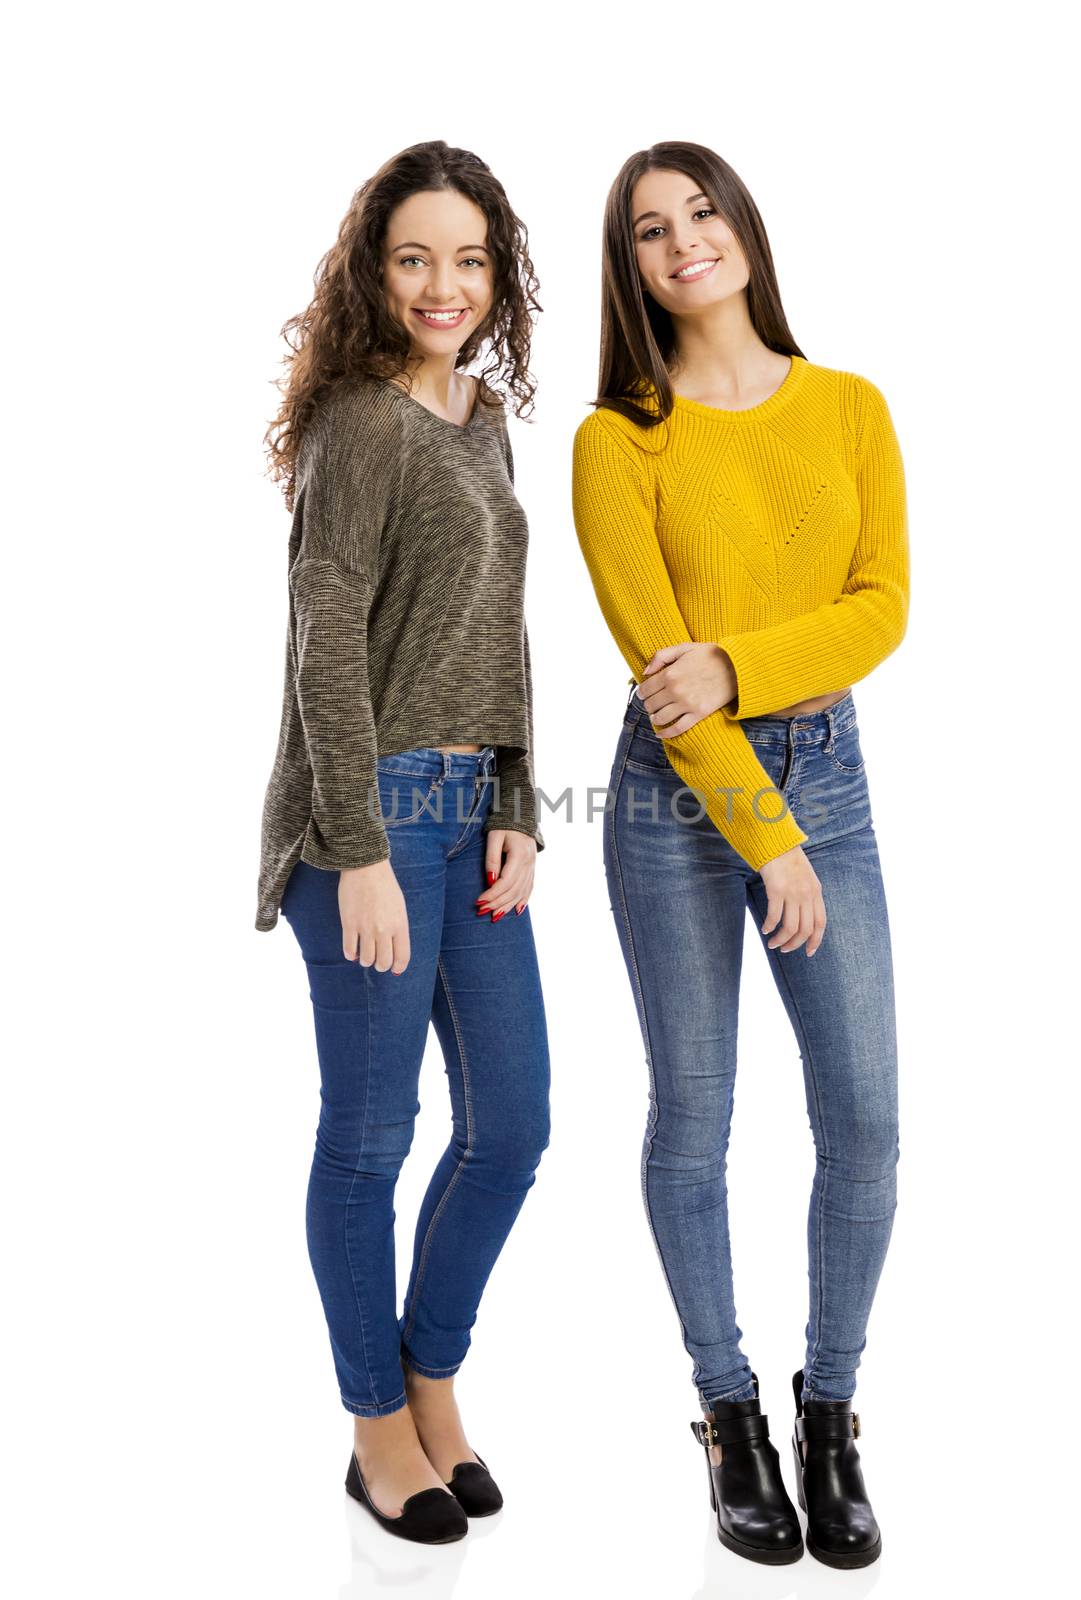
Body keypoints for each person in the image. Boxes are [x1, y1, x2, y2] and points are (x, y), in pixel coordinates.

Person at [571, 141, 909, 1570]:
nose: (683, 242)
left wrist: (738, 664)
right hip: (671, 807)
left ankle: (829, 1411)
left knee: (866, 1123)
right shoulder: (616, 441)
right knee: (696, 1115)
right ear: (631, 268)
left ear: (745, 229)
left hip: (827, 770)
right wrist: (766, 842)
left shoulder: (849, 408)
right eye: (651, 230)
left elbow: (883, 608)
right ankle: (729, 1413)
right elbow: (663, 682)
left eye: (701, 212)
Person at [255, 140, 550, 1544]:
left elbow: (499, 639)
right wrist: (358, 846)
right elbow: (323, 647)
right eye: (415, 257)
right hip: (364, 819)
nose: (445, 284)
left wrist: (513, 808)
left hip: (467, 817)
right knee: (373, 1137)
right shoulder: (360, 428)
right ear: (377, 272)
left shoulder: (480, 421)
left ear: (501, 278)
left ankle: (433, 1383)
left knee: (515, 1126)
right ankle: (378, 1425)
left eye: (470, 260)